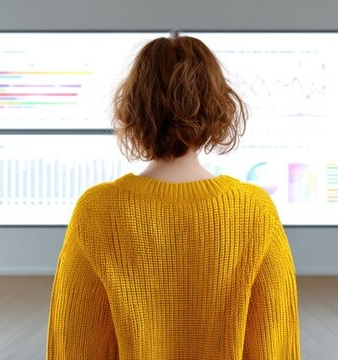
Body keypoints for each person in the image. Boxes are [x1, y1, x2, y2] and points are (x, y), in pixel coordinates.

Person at [47, 30, 300, 359]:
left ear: (132, 110)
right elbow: (274, 345)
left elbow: (75, 346)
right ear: (218, 110)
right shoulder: (254, 211)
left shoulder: (96, 210)